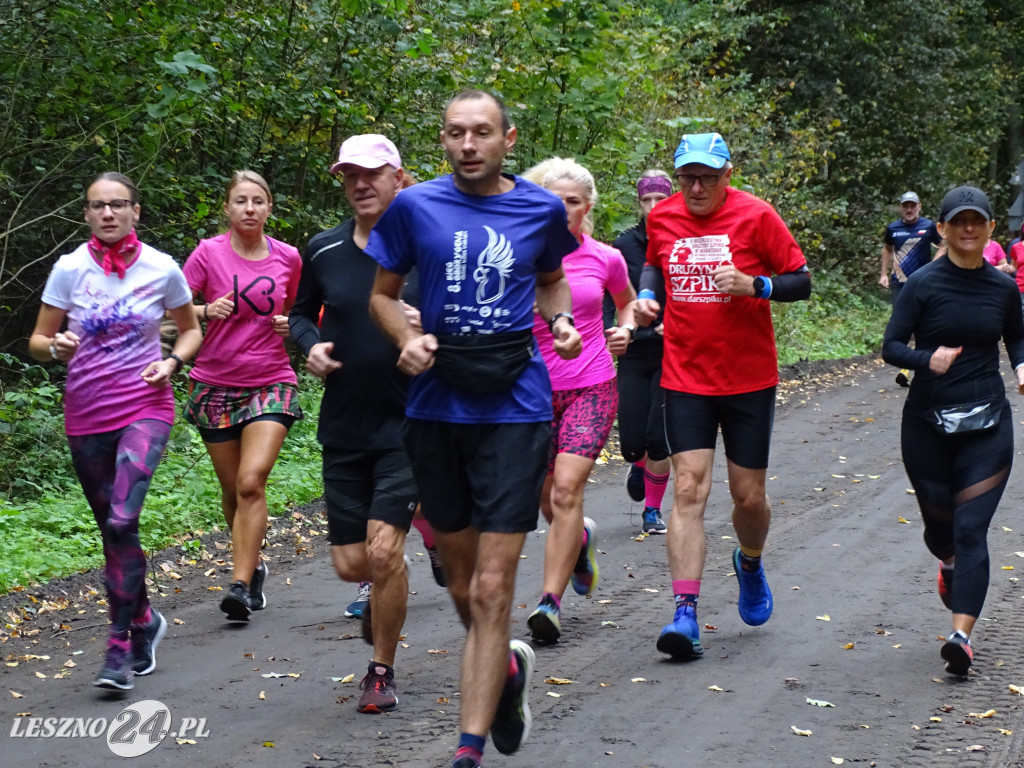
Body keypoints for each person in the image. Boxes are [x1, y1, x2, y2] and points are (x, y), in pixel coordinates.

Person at [367, 90, 581, 768]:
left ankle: (468, 750)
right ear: (443, 140)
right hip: (435, 406)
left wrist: (563, 322)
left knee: (493, 587)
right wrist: (405, 335)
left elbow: (551, 280)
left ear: (506, 139)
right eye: (456, 133)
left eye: (481, 132)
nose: (468, 145)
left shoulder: (542, 209)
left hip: (515, 407)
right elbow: (382, 292)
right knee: (461, 582)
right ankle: (505, 676)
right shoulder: (413, 206)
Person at [635, 132, 811, 660]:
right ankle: (684, 615)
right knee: (688, 491)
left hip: (749, 380)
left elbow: (800, 281)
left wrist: (756, 286)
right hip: (684, 377)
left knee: (748, 498)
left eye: (707, 178)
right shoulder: (661, 216)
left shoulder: (757, 216)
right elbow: (653, 265)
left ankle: (750, 563)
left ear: (727, 175)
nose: (695, 187)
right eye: (687, 176)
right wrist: (647, 296)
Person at [28, 172, 202, 690]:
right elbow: (37, 339)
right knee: (112, 528)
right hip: (86, 416)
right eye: (97, 206)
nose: (108, 213)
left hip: (145, 407)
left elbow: (191, 329)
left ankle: (119, 644)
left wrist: (172, 363)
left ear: (135, 211)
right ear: (86, 214)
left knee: (124, 518)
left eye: (117, 205)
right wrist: (53, 347)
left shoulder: (161, 268)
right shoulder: (69, 270)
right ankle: (144, 617)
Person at [289, 134, 422, 714]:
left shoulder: (430, 248)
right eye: (350, 176)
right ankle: (386, 587)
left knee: (384, 553)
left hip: (410, 423)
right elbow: (298, 313)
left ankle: (380, 670)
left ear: (399, 177)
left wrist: (427, 323)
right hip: (343, 426)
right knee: (353, 565)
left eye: (372, 174)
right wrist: (311, 347)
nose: (361, 185)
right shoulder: (322, 249)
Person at [883, 186, 1024, 676]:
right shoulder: (922, 284)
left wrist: (1022, 365)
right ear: (941, 228)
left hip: (987, 423)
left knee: (970, 529)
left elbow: (1016, 335)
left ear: (989, 229)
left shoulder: (1003, 288)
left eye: (977, 221)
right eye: (959, 221)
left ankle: (961, 637)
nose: (969, 229)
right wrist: (929, 360)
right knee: (942, 531)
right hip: (926, 424)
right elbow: (892, 347)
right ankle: (947, 566)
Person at [520, 157, 636, 645]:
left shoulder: (605, 257)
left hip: (592, 382)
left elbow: (627, 300)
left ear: (585, 207)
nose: (561, 208)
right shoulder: (518, 255)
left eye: (571, 202)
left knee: (566, 491)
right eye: (552, 200)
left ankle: (549, 601)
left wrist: (625, 329)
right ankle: (579, 541)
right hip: (530, 390)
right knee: (546, 499)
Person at [182, 171, 302, 623]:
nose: (250, 208)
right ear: (228, 210)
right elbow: (165, 303)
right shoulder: (208, 253)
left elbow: (302, 309)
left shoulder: (289, 257)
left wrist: (294, 324)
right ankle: (252, 569)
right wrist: (203, 310)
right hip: (214, 383)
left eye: (258, 201)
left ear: (269, 208)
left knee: (252, 481)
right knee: (233, 490)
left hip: (271, 379)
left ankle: (237, 584)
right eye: (240, 201)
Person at [605, 170, 673, 535]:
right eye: (646, 200)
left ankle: (652, 510)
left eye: (659, 199)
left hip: (671, 352)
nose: (652, 207)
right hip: (632, 351)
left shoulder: (682, 241)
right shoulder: (624, 245)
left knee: (658, 437)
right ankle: (638, 463)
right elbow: (609, 291)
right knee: (633, 443)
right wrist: (608, 331)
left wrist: (676, 325)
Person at [880, 191, 944, 303]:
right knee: (900, 318)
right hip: (899, 282)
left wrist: (933, 267)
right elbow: (887, 249)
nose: (909, 210)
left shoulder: (928, 226)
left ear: (919, 207)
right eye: (906, 206)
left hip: (922, 281)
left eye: (913, 206)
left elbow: (943, 246)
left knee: (922, 318)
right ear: (900, 207)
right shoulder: (893, 228)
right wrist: (883, 274)